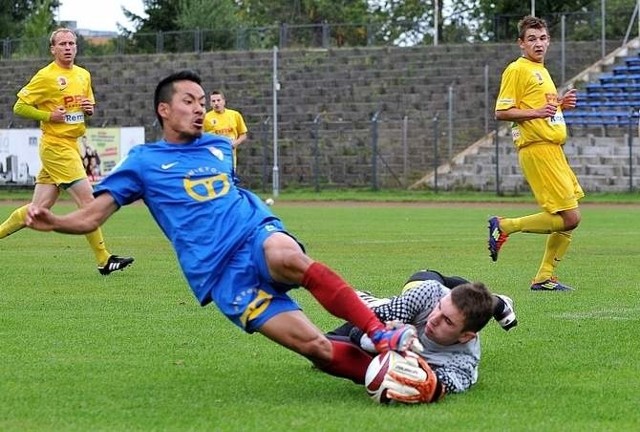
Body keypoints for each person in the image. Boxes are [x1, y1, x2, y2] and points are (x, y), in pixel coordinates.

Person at [25, 70, 419, 385]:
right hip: (220, 275)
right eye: (189, 101)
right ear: (164, 109)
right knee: (315, 347)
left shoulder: (218, 146)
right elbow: (92, 215)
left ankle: (378, 332)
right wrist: (55, 221)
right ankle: (389, 377)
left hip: (253, 233)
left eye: (202, 101)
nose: (199, 109)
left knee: (288, 257)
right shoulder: (143, 162)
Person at [0, 28, 133, 276]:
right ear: (53, 49)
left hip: (71, 143)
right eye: (62, 44)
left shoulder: (83, 75)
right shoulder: (46, 76)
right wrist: (48, 115)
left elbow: (87, 106)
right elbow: (19, 106)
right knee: (89, 202)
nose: (68, 47)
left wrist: (89, 108)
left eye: (72, 43)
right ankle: (104, 260)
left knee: (36, 209)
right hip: (56, 146)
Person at [490, 15, 582, 291]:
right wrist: (537, 112)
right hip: (538, 150)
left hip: (554, 150)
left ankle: (544, 277)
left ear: (549, 41)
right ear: (521, 43)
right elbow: (501, 112)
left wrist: (560, 105)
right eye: (531, 39)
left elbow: (545, 111)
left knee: (569, 216)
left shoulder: (541, 71)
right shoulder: (517, 70)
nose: (538, 43)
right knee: (571, 218)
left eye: (542, 38)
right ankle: (504, 226)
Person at [327, 268, 517, 400]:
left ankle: (490, 302)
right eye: (440, 309)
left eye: (448, 321)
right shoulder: (429, 294)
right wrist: (390, 338)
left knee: (326, 348)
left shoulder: (462, 366)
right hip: (414, 297)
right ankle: (497, 302)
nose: (434, 319)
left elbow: (431, 386)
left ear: (465, 336)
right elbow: (361, 328)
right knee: (423, 277)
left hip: (412, 319)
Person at [203, 90, 248, 170]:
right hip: (213, 157)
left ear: (223, 101)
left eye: (218, 100)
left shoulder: (235, 115)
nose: (216, 103)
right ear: (210, 103)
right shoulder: (206, 118)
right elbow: (201, 136)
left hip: (230, 156)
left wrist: (235, 143)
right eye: (213, 101)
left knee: (229, 178)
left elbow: (243, 134)